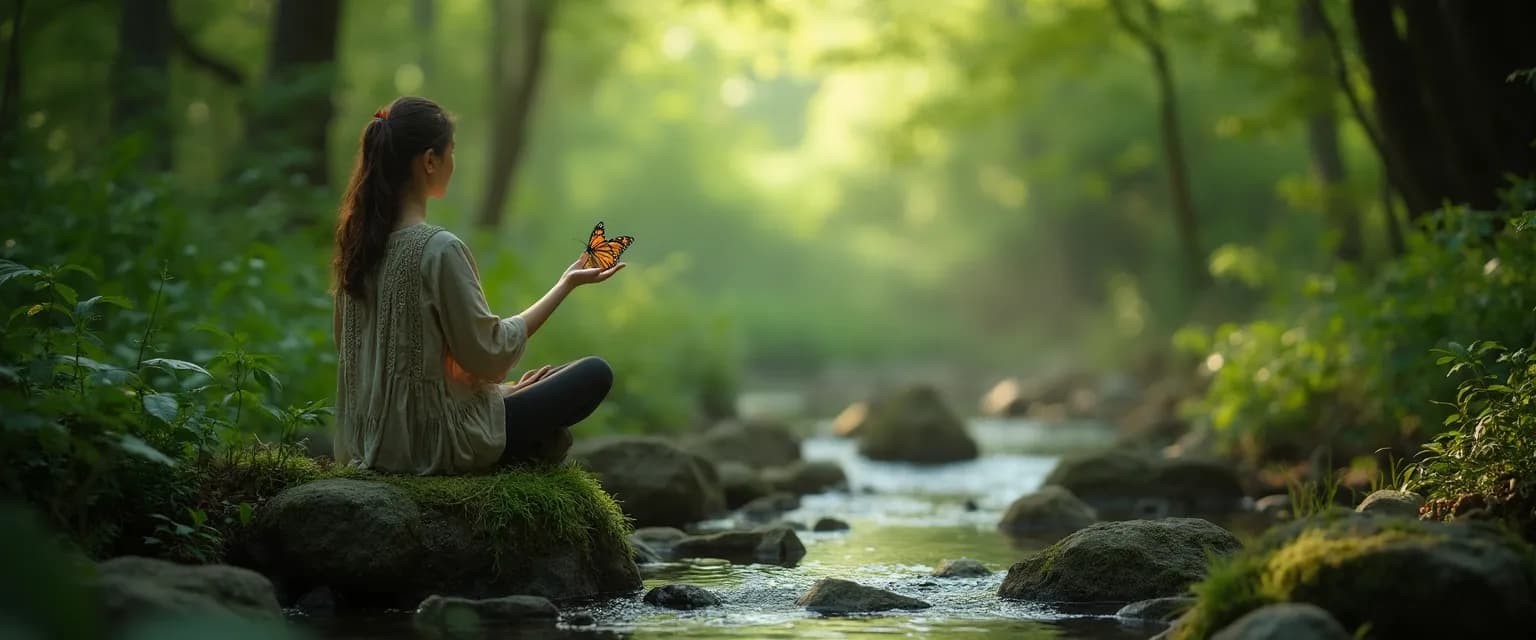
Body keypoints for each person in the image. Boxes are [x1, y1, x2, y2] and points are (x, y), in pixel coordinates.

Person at [329, 96, 624, 475]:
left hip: (367, 440)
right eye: (451, 151)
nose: (454, 161)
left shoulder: (357, 250)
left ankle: (517, 417)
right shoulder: (437, 249)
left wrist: (501, 394)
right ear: (430, 160)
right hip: (431, 446)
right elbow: (489, 352)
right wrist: (565, 285)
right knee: (594, 373)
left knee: (538, 382)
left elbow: (391, 366)